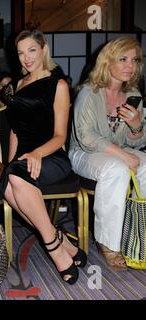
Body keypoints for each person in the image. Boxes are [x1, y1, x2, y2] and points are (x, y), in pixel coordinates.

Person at [0, 29, 87, 285]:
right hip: (24, 157)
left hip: (51, 155)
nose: (26, 58)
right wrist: (10, 161)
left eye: (32, 50)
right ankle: (60, 240)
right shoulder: (15, 86)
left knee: (15, 177)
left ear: (44, 49)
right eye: (20, 53)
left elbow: (61, 135)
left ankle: (53, 248)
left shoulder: (57, 84)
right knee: (7, 183)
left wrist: (36, 153)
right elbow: (15, 129)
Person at [69, 37, 146, 270]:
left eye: (134, 60)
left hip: (118, 151)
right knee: (118, 169)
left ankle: (140, 235)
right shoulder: (89, 93)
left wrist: (136, 124)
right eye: (122, 59)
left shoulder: (133, 94)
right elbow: (87, 137)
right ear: (107, 61)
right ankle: (108, 242)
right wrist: (124, 156)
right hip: (84, 153)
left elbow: (139, 141)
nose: (129, 65)